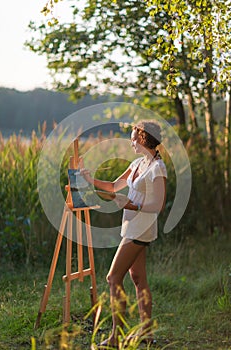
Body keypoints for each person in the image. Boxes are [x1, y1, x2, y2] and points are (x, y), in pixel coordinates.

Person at [80, 120, 167, 349]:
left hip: (142, 227)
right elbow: (112, 186)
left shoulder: (158, 168)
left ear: (144, 138)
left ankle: (116, 337)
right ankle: (147, 334)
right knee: (138, 278)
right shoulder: (137, 163)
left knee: (112, 277)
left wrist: (131, 205)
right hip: (130, 226)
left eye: (133, 138)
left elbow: (158, 205)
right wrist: (90, 181)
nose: (131, 142)